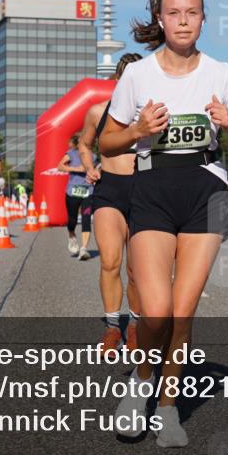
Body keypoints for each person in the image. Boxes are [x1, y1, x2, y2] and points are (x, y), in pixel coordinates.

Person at [101, 0, 228, 447]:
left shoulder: (221, 74)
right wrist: (137, 129)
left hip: (205, 189)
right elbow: (107, 142)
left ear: (204, 20)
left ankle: (167, 409)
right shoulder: (137, 76)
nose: (184, 20)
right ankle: (139, 384)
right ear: (160, 19)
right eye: (175, 12)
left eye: (193, 12)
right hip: (151, 186)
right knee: (156, 308)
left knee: (183, 313)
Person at [78, 52, 144, 356]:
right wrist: (88, 166)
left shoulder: (153, 114)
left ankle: (135, 325)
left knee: (136, 269)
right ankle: (112, 327)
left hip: (145, 191)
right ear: (118, 81)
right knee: (110, 260)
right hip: (109, 190)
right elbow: (84, 142)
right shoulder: (98, 112)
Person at [57, 135, 93, 259]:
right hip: (73, 191)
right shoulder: (71, 154)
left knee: (86, 218)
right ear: (79, 143)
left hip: (88, 192)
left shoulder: (93, 155)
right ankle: (72, 236)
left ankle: (83, 248)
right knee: (72, 220)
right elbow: (60, 166)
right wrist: (76, 168)